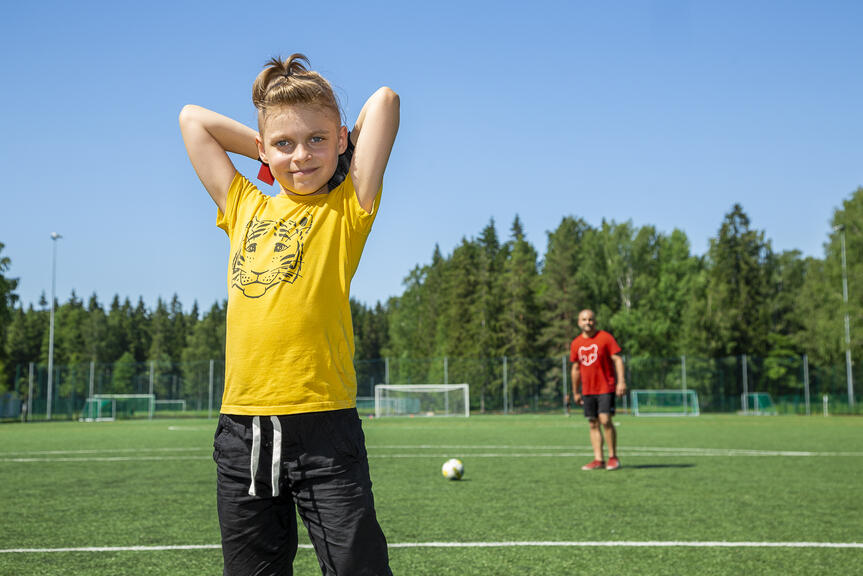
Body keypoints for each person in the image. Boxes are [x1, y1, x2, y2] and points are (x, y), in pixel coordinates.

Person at [179, 54, 399, 575]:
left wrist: (340, 147)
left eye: (317, 140)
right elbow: (193, 119)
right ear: (262, 150)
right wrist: (267, 151)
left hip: (324, 428)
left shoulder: (348, 206)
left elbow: (385, 100)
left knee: (357, 569)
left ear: (342, 140)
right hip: (244, 429)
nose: (301, 155)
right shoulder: (244, 205)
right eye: (284, 144)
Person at [570, 309, 626, 471]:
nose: (588, 322)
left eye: (590, 319)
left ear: (595, 321)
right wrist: (575, 391)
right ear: (579, 322)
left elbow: (617, 359)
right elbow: (575, 369)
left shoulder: (605, 338)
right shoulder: (576, 343)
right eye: (584, 319)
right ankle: (598, 459)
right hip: (588, 390)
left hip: (605, 387)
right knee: (593, 423)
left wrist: (621, 382)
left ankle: (613, 457)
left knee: (605, 420)